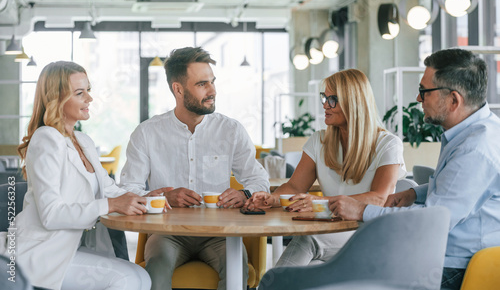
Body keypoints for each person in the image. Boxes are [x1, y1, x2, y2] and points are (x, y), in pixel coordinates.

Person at [330, 49, 500, 290]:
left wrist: (362, 210)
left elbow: (432, 221)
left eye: (424, 91)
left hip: (455, 267)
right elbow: (456, 187)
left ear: (454, 100)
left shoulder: (475, 148)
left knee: (356, 279)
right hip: (446, 258)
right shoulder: (474, 132)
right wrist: (414, 193)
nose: (418, 99)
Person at [120, 46, 270, 290]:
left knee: (237, 270)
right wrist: (161, 196)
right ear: (178, 89)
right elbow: (128, 190)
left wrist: (244, 194)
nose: (212, 91)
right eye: (202, 84)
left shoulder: (230, 130)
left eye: (212, 82)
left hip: (220, 233)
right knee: (155, 270)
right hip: (166, 233)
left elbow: (260, 181)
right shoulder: (146, 133)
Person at [0, 61, 152, 290]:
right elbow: (51, 214)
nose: (89, 99)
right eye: (80, 93)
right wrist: (110, 205)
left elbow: (110, 190)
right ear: (56, 100)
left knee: (140, 276)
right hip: (42, 252)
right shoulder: (46, 139)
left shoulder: (84, 141)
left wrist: (154, 197)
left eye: (88, 90)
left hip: (71, 248)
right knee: (128, 278)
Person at [245, 69, 406, 267]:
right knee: (307, 242)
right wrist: (273, 198)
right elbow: (295, 187)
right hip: (332, 232)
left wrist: (319, 202)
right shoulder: (319, 141)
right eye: (325, 98)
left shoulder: (388, 144)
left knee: (307, 239)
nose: (325, 105)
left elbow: (379, 198)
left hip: (369, 234)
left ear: (353, 103)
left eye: (332, 99)